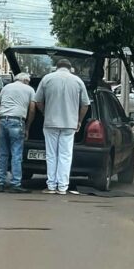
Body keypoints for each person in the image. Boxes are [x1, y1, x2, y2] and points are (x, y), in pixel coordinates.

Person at [34, 58, 90, 195]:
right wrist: (79, 121)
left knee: (51, 155)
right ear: (70, 68)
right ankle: (63, 187)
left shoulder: (47, 79)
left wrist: (45, 112)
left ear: (56, 67)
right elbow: (85, 105)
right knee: (65, 155)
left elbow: (38, 101)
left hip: (50, 122)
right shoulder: (77, 81)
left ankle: (51, 186)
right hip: (69, 124)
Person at [0, 72, 36, 193]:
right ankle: (15, 184)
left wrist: (6, 110)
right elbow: (32, 109)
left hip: (3, 120)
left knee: (2, 153)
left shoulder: (6, 87)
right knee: (16, 154)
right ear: (26, 81)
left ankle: (0, 183)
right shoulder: (29, 90)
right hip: (17, 121)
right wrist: (27, 127)